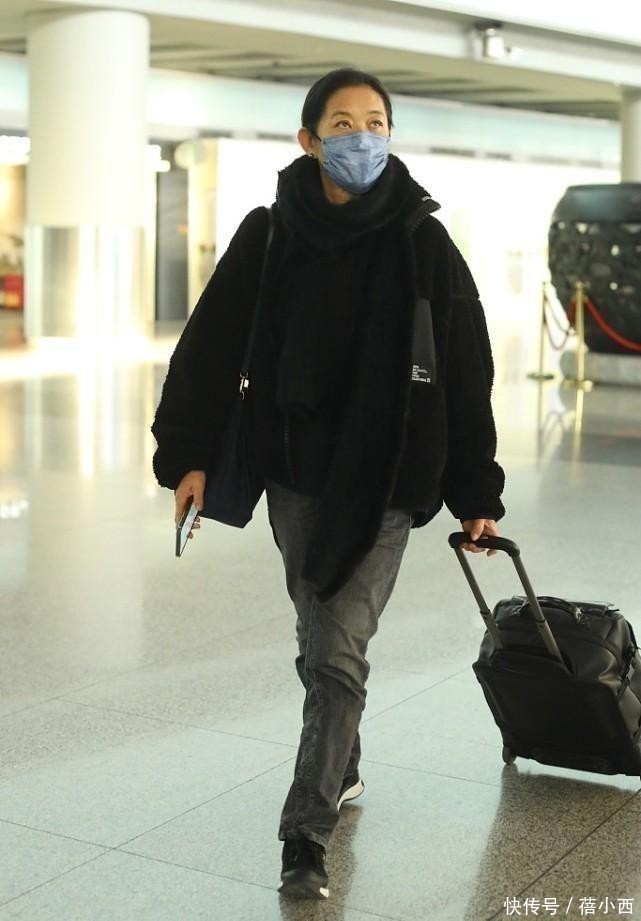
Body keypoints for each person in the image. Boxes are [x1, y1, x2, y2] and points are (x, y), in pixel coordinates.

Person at [151, 67, 505, 902]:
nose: (361, 136)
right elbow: (209, 346)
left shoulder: (422, 242)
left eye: (375, 121)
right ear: (308, 140)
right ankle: (341, 763)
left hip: (388, 475)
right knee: (320, 638)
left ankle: (304, 834)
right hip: (295, 468)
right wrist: (188, 454)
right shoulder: (270, 234)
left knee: (337, 647)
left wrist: (475, 492)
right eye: (342, 123)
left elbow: (465, 369)